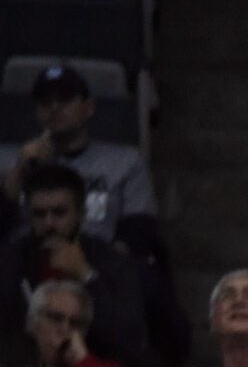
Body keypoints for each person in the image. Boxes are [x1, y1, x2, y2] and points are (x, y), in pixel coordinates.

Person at [3, 159, 160, 367]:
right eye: (40, 214)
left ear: (81, 214)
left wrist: (87, 276)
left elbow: (131, 338)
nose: (49, 223)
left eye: (59, 213)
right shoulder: (11, 261)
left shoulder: (110, 262)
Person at [5, 63, 160, 254]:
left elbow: (139, 231)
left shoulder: (124, 162)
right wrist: (20, 173)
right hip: (25, 268)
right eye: (46, 102)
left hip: (97, 267)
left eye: (65, 99)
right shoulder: (12, 162)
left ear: (89, 107)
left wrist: (99, 271)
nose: (54, 108)